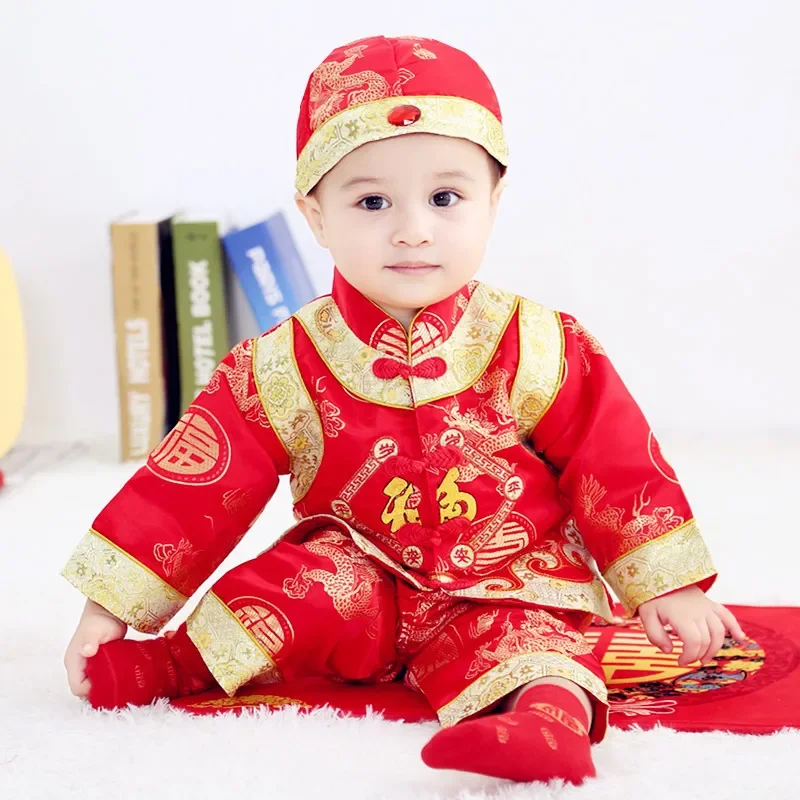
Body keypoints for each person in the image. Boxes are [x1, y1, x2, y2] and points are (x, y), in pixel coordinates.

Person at [62, 35, 746, 786]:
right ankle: (169, 664)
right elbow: (191, 485)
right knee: (289, 589)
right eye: (373, 201)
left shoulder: (541, 344)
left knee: (540, 641)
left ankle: (547, 724)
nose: (413, 228)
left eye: (446, 198)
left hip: (508, 573)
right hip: (359, 581)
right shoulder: (281, 366)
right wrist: (109, 609)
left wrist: (665, 585)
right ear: (315, 216)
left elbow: (613, 461)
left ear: (493, 202)